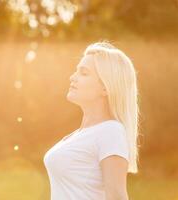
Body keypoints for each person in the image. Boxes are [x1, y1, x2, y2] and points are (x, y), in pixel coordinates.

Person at [43, 41, 140, 200]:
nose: (72, 77)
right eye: (76, 71)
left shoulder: (111, 131)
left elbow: (117, 196)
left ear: (105, 87)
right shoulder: (82, 134)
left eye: (84, 73)